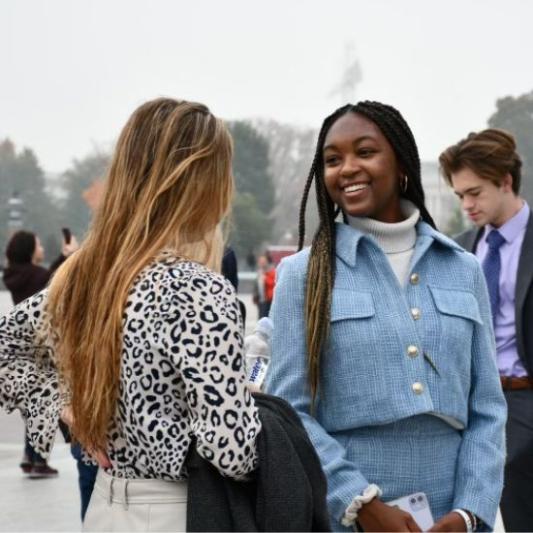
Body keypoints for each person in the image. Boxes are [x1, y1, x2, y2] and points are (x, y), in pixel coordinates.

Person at [0, 98, 261, 532]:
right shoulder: (199, 288)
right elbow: (235, 452)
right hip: (183, 509)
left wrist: (63, 408)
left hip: (107, 505)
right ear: (196, 180)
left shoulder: (84, 276)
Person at [266, 101, 506, 532]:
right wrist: (360, 503)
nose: (347, 168)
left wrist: (471, 512)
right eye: (333, 160)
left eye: (365, 152)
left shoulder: (463, 269)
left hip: (451, 514)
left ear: (402, 165)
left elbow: (487, 408)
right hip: (347, 516)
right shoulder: (303, 275)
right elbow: (290, 411)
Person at [439, 128, 533, 532]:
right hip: (478, 407)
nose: (466, 205)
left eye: (474, 192)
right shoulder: (457, 250)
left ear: (506, 181)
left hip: (526, 393)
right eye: (460, 196)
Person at [2, 229, 78, 478]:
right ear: (29, 250)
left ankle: (31, 456)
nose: (41, 248)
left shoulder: (15, 275)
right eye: (38, 245)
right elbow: (54, 283)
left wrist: (61, 257)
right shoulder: (36, 275)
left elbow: (48, 278)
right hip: (44, 345)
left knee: (34, 402)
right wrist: (71, 256)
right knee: (50, 403)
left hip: (27, 346)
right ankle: (38, 458)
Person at [253, 253, 276, 318]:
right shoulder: (259, 272)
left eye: (263, 261)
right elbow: (256, 285)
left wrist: (265, 278)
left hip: (269, 300)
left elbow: (273, 283)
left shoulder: (271, 271)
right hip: (261, 300)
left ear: (267, 262)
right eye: (260, 262)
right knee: (261, 318)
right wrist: (255, 296)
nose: (262, 263)